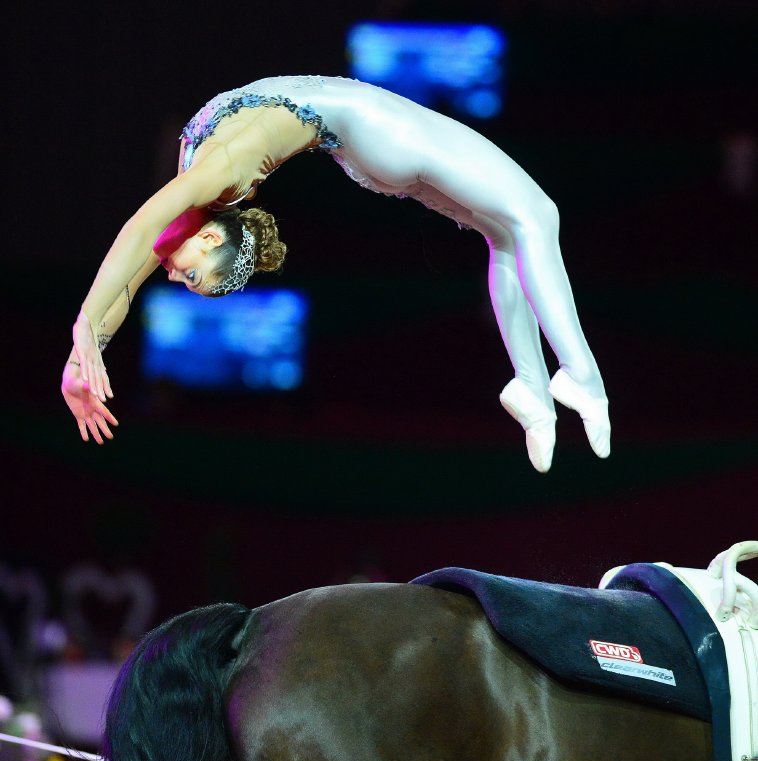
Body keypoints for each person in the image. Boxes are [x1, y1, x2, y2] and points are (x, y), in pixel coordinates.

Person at [61, 75, 610, 472]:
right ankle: (580, 376)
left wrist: (84, 333)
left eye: (189, 278)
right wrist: (83, 357)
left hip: (367, 144)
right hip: (373, 133)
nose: (173, 276)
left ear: (210, 237)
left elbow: (134, 237)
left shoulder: (209, 177)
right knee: (536, 216)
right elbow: (128, 278)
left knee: (512, 231)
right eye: (189, 278)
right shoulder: (200, 202)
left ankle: (536, 387)